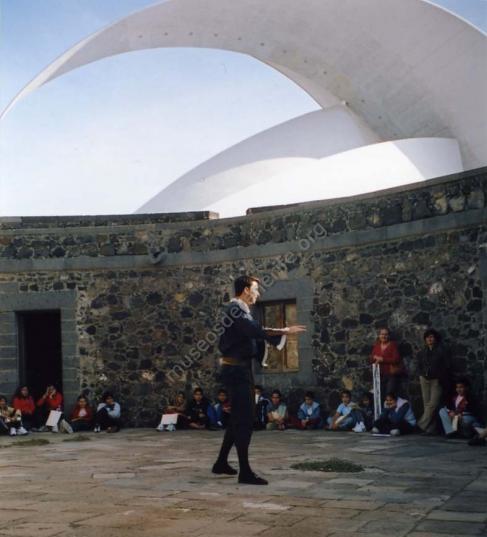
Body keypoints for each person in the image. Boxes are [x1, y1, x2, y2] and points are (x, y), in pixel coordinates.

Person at [212, 275, 306, 485]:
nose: (258, 293)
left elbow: (253, 332)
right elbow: (254, 330)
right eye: (255, 289)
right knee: (244, 421)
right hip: (237, 371)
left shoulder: (240, 310)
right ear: (246, 290)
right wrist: (284, 331)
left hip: (239, 370)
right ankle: (245, 472)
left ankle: (221, 463)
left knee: (238, 417)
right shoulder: (235, 309)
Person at [415, 329, 452, 435]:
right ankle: (431, 429)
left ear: (435, 339)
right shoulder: (422, 352)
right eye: (427, 337)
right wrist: (421, 374)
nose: (429, 339)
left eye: (431, 337)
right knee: (426, 404)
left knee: (433, 404)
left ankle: (421, 424)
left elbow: (447, 365)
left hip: (436, 380)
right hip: (424, 379)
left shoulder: (441, 351)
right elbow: (419, 365)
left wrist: (440, 376)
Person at [369, 327, 405, 398]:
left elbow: (396, 359)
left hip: (391, 375)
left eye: (386, 334)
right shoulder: (377, 346)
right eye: (382, 334)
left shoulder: (392, 345)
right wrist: (375, 358)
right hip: (379, 376)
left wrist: (382, 359)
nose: (384, 336)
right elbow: (371, 359)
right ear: (379, 335)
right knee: (380, 396)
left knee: (389, 395)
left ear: (388, 336)